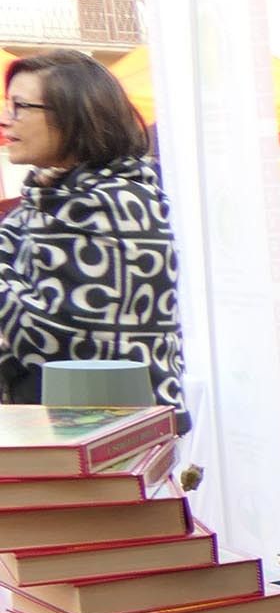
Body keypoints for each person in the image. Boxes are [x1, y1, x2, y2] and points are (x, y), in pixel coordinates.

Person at [0, 51, 181, 407]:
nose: (7, 120)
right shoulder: (40, 203)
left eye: (20, 106)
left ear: (73, 115)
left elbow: (60, 341)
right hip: (48, 421)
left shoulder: (118, 204)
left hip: (112, 428)